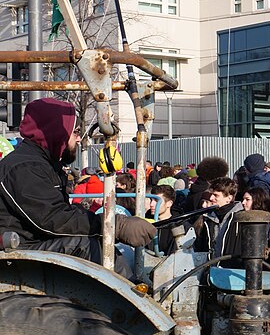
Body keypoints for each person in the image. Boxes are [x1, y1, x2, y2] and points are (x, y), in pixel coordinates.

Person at [0, 98, 155, 264]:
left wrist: (100, 220)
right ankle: (132, 289)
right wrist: (113, 225)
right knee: (88, 247)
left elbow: (60, 212)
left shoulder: (44, 165)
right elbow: (53, 220)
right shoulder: (24, 168)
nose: (79, 139)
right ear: (56, 132)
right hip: (20, 251)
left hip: (33, 244)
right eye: (75, 132)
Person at [198, 178, 244, 259]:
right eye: (211, 194)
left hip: (232, 269)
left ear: (229, 198)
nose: (211, 198)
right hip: (211, 268)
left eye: (216, 195)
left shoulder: (241, 219)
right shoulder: (208, 218)